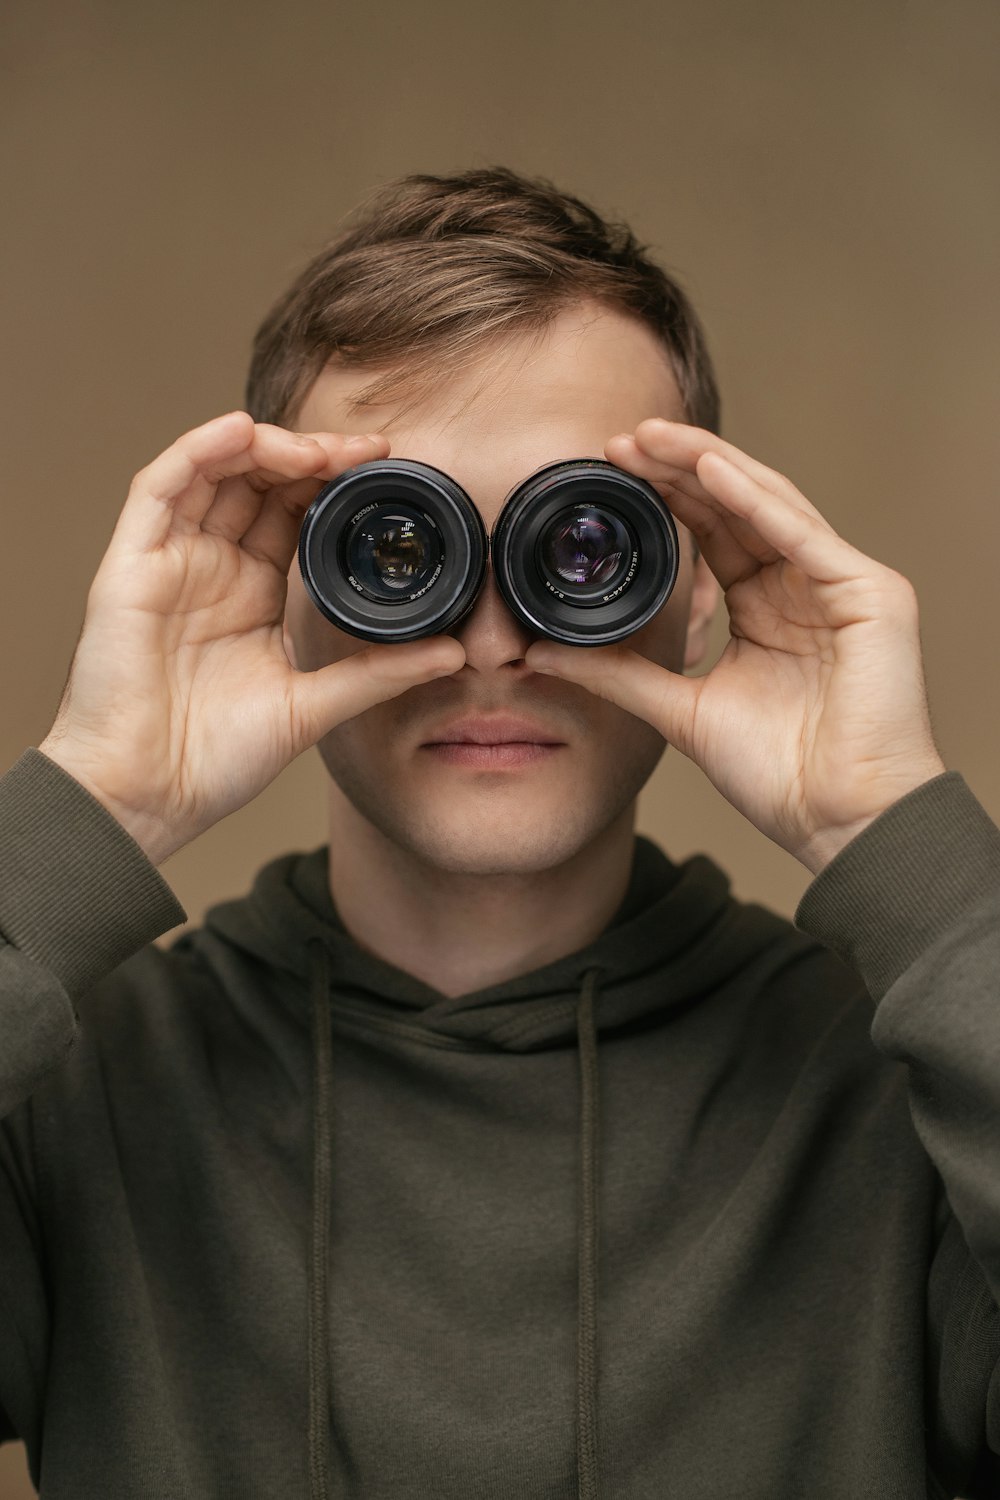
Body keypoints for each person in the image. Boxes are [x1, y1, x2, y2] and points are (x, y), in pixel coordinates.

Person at [0, 166, 997, 1500]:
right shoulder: (76, 1077)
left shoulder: (913, 1087)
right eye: (396, 548)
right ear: (285, 587)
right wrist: (93, 799)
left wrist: (897, 833)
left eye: (583, 543)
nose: (490, 640)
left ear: (698, 576)